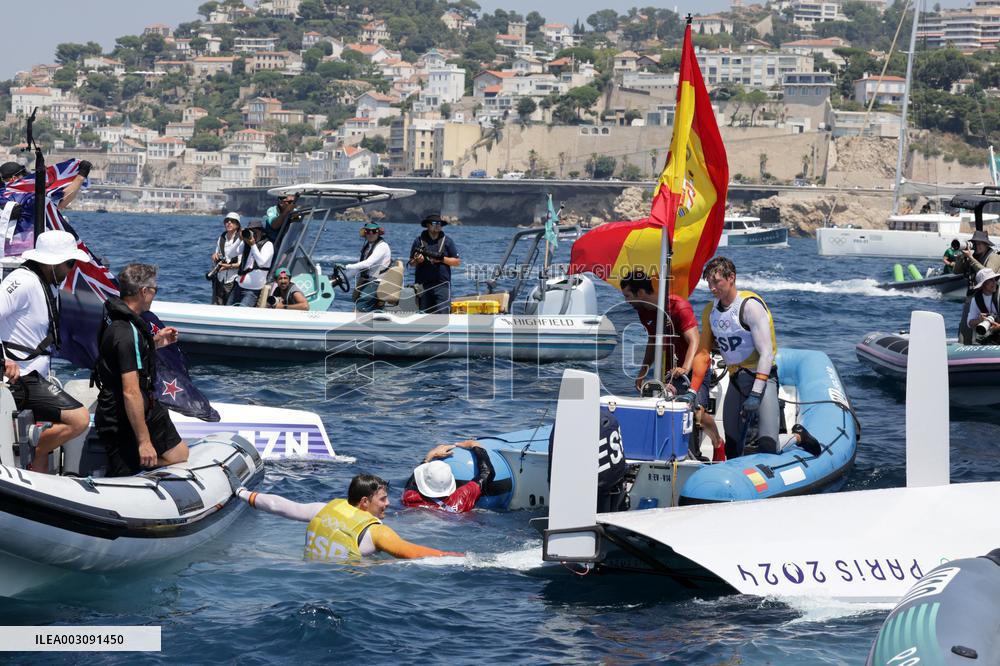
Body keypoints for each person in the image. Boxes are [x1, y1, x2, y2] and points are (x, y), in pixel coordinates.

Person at [0, 230, 90, 473]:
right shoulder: (23, 282)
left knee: (45, 443)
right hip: (22, 379)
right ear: (53, 262)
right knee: (79, 419)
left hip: (38, 377)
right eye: (70, 263)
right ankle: (28, 452)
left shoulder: (47, 283)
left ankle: (36, 471)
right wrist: (2, 361)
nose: (71, 269)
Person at [94, 263, 189, 477]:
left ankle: (136, 466)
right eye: (155, 289)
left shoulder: (116, 317)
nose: (155, 294)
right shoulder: (126, 332)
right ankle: (133, 466)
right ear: (143, 291)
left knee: (179, 454)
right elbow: (130, 391)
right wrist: (144, 441)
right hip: (120, 415)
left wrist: (155, 342)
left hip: (144, 405)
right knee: (124, 473)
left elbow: (123, 355)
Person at [620, 270, 723, 459]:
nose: (626, 301)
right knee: (663, 407)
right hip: (670, 370)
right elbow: (653, 340)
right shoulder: (643, 311)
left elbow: (694, 339)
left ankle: (718, 443)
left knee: (696, 413)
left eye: (627, 296)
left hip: (694, 367)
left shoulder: (678, 306)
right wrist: (642, 371)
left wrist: (685, 367)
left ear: (640, 292)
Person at [236, 473, 459, 560]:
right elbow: (414, 553)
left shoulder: (323, 509)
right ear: (364, 502)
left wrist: (243, 493)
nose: (388, 504)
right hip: (346, 592)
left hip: (307, 580)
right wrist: (458, 557)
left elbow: (278, 506)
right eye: (382, 499)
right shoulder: (376, 532)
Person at [699, 256, 780, 458]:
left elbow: (767, 353)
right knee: (733, 445)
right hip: (736, 380)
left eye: (717, 281)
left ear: (731, 278)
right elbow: (703, 351)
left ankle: (798, 437)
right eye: (709, 282)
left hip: (762, 379)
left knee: (768, 444)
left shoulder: (750, 306)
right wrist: (693, 390)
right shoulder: (710, 311)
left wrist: (756, 393)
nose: (712, 288)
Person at [402, 440, 495, 513]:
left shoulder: (410, 498)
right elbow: (487, 472)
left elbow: (412, 482)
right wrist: (476, 446)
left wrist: (429, 456)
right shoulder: (461, 499)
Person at [408, 214, 461, 314]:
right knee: (424, 314)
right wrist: (418, 260)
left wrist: (441, 259)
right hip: (423, 285)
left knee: (443, 313)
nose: (438, 225)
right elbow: (411, 263)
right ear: (428, 225)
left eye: (439, 223)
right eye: (434, 223)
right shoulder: (418, 241)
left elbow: (457, 262)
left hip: (442, 284)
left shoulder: (448, 241)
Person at [954, 230, 1000, 343]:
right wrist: (962, 256)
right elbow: (956, 271)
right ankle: (965, 346)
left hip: (993, 296)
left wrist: (971, 258)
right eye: (975, 243)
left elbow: (988, 275)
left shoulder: (994, 257)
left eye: (980, 243)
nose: (977, 246)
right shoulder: (973, 256)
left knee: (990, 325)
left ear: (986, 244)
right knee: (966, 327)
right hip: (974, 296)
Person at [336, 222, 391, 312]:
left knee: (360, 306)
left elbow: (368, 263)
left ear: (378, 233)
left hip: (378, 282)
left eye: (374, 231)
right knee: (358, 303)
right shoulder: (368, 247)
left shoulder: (382, 246)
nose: (371, 234)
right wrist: (341, 279)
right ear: (365, 233)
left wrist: (346, 267)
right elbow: (359, 267)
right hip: (369, 281)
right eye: (368, 231)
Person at [0, 160, 90, 211]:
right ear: (13, 178)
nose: (26, 177)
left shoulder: (3, 195)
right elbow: (60, 203)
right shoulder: (20, 195)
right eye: (23, 174)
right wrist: (80, 176)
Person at [229, 220, 273, 307]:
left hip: (252, 290)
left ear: (261, 232)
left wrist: (253, 245)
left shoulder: (268, 245)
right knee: (227, 310)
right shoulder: (246, 243)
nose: (252, 234)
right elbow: (230, 254)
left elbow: (261, 262)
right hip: (238, 286)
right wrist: (239, 239)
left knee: (242, 313)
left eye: (255, 231)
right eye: (250, 231)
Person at [209, 212, 244, 305]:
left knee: (230, 306)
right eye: (227, 221)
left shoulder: (241, 239)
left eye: (232, 221)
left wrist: (228, 266)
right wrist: (214, 255)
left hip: (232, 279)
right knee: (216, 305)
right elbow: (217, 253)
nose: (229, 223)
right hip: (220, 278)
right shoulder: (221, 238)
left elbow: (241, 263)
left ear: (237, 225)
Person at [968, 268, 1000, 344]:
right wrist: (980, 320)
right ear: (982, 285)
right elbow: (970, 323)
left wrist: (998, 327)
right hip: (991, 336)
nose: (994, 282)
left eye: (994, 279)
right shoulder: (976, 300)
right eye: (990, 280)